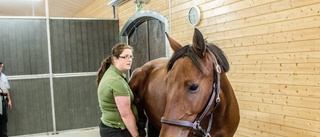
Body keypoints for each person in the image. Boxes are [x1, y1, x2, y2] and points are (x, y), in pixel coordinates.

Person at [96, 43, 141, 137]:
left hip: (111, 128)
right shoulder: (116, 81)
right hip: (117, 131)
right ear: (115, 59)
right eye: (125, 57)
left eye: (131, 57)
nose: (129, 60)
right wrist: (136, 135)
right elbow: (126, 114)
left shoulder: (112, 74)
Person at [0, 60, 12, 137]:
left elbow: (7, 89)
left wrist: (9, 100)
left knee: (4, 119)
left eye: (1, 66)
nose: (0, 67)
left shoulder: (4, 76)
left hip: (4, 100)